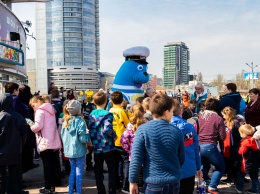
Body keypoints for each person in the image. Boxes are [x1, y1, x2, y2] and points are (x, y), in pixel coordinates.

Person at [129, 94, 185, 194]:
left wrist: (132, 181)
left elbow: (136, 159)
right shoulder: (177, 131)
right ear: (166, 112)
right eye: (172, 111)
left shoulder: (143, 130)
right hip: (173, 182)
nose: (172, 114)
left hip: (153, 183)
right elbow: (181, 158)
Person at [29, 96, 62, 194]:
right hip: (53, 141)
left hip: (45, 142)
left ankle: (48, 187)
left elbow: (38, 127)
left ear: (38, 101)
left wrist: (30, 124)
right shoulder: (51, 109)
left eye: (33, 105)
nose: (34, 108)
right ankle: (52, 187)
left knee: (47, 167)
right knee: (53, 165)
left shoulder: (40, 111)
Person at [170, 99, 202, 194]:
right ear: (181, 111)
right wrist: (198, 167)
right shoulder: (189, 127)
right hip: (189, 167)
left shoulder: (164, 127)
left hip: (170, 170)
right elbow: (196, 148)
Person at [88, 91, 117, 194]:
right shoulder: (108, 114)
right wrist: (114, 135)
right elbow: (107, 129)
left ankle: (101, 191)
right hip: (108, 146)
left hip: (97, 146)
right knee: (112, 170)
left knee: (98, 170)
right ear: (106, 101)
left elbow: (91, 129)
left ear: (94, 102)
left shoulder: (91, 114)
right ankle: (112, 190)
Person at [0, 94, 28, 194]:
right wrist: (20, 145)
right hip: (15, 151)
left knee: (1, 178)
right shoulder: (18, 117)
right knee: (15, 176)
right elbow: (24, 134)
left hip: (1, 152)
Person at [61, 100, 90, 194]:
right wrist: (87, 134)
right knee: (79, 173)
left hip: (69, 151)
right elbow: (83, 139)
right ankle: (79, 192)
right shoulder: (80, 122)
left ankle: (70, 191)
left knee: (72, 171)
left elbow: (63, 136)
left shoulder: (65, 121)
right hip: (80, 150)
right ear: (79, 110)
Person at [198, 97, 226, 194]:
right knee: (221, 167)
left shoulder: (200, 116)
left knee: (204, 166)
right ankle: (212, 187)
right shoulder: (218, 118)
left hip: (200, 145)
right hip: (210, 145)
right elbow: (222, 136)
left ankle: (202, 186)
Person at [120, 104, 145, 193]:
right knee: (143, 175)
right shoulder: (147, 124)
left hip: (133, 155)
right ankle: (142, 190)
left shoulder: (130, 125)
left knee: (134, 174)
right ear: (144, 111)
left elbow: (124, 140)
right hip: (146, 156)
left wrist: (129, 150)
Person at [109, 91, 130, 191]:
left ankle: (116, 185)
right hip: (122, 141)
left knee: (116, 163)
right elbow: (128, 124)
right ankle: (125, 186)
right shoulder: (121, 111)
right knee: (126, 162)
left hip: (112, 141)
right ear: (122, 100)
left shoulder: (110, 110)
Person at [221, 106, 241, 185]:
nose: (222, 116)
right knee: (228, 162)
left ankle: (235, 178)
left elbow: (238, 136)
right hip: (225, 145)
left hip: (233, 146)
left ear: (227, 114)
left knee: (234, 163)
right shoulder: (223, 123)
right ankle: (229, 177)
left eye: (223, 115)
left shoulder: (235, 123)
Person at [236, 124, 259, 194]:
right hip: (255, 162)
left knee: (241, 175)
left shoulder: (245, 142)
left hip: (245, 162)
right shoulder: (254, 140)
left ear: (244, 133)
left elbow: (241, 152)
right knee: (254, 176)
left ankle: (239, 188)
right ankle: (255, 189)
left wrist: (237, 150)